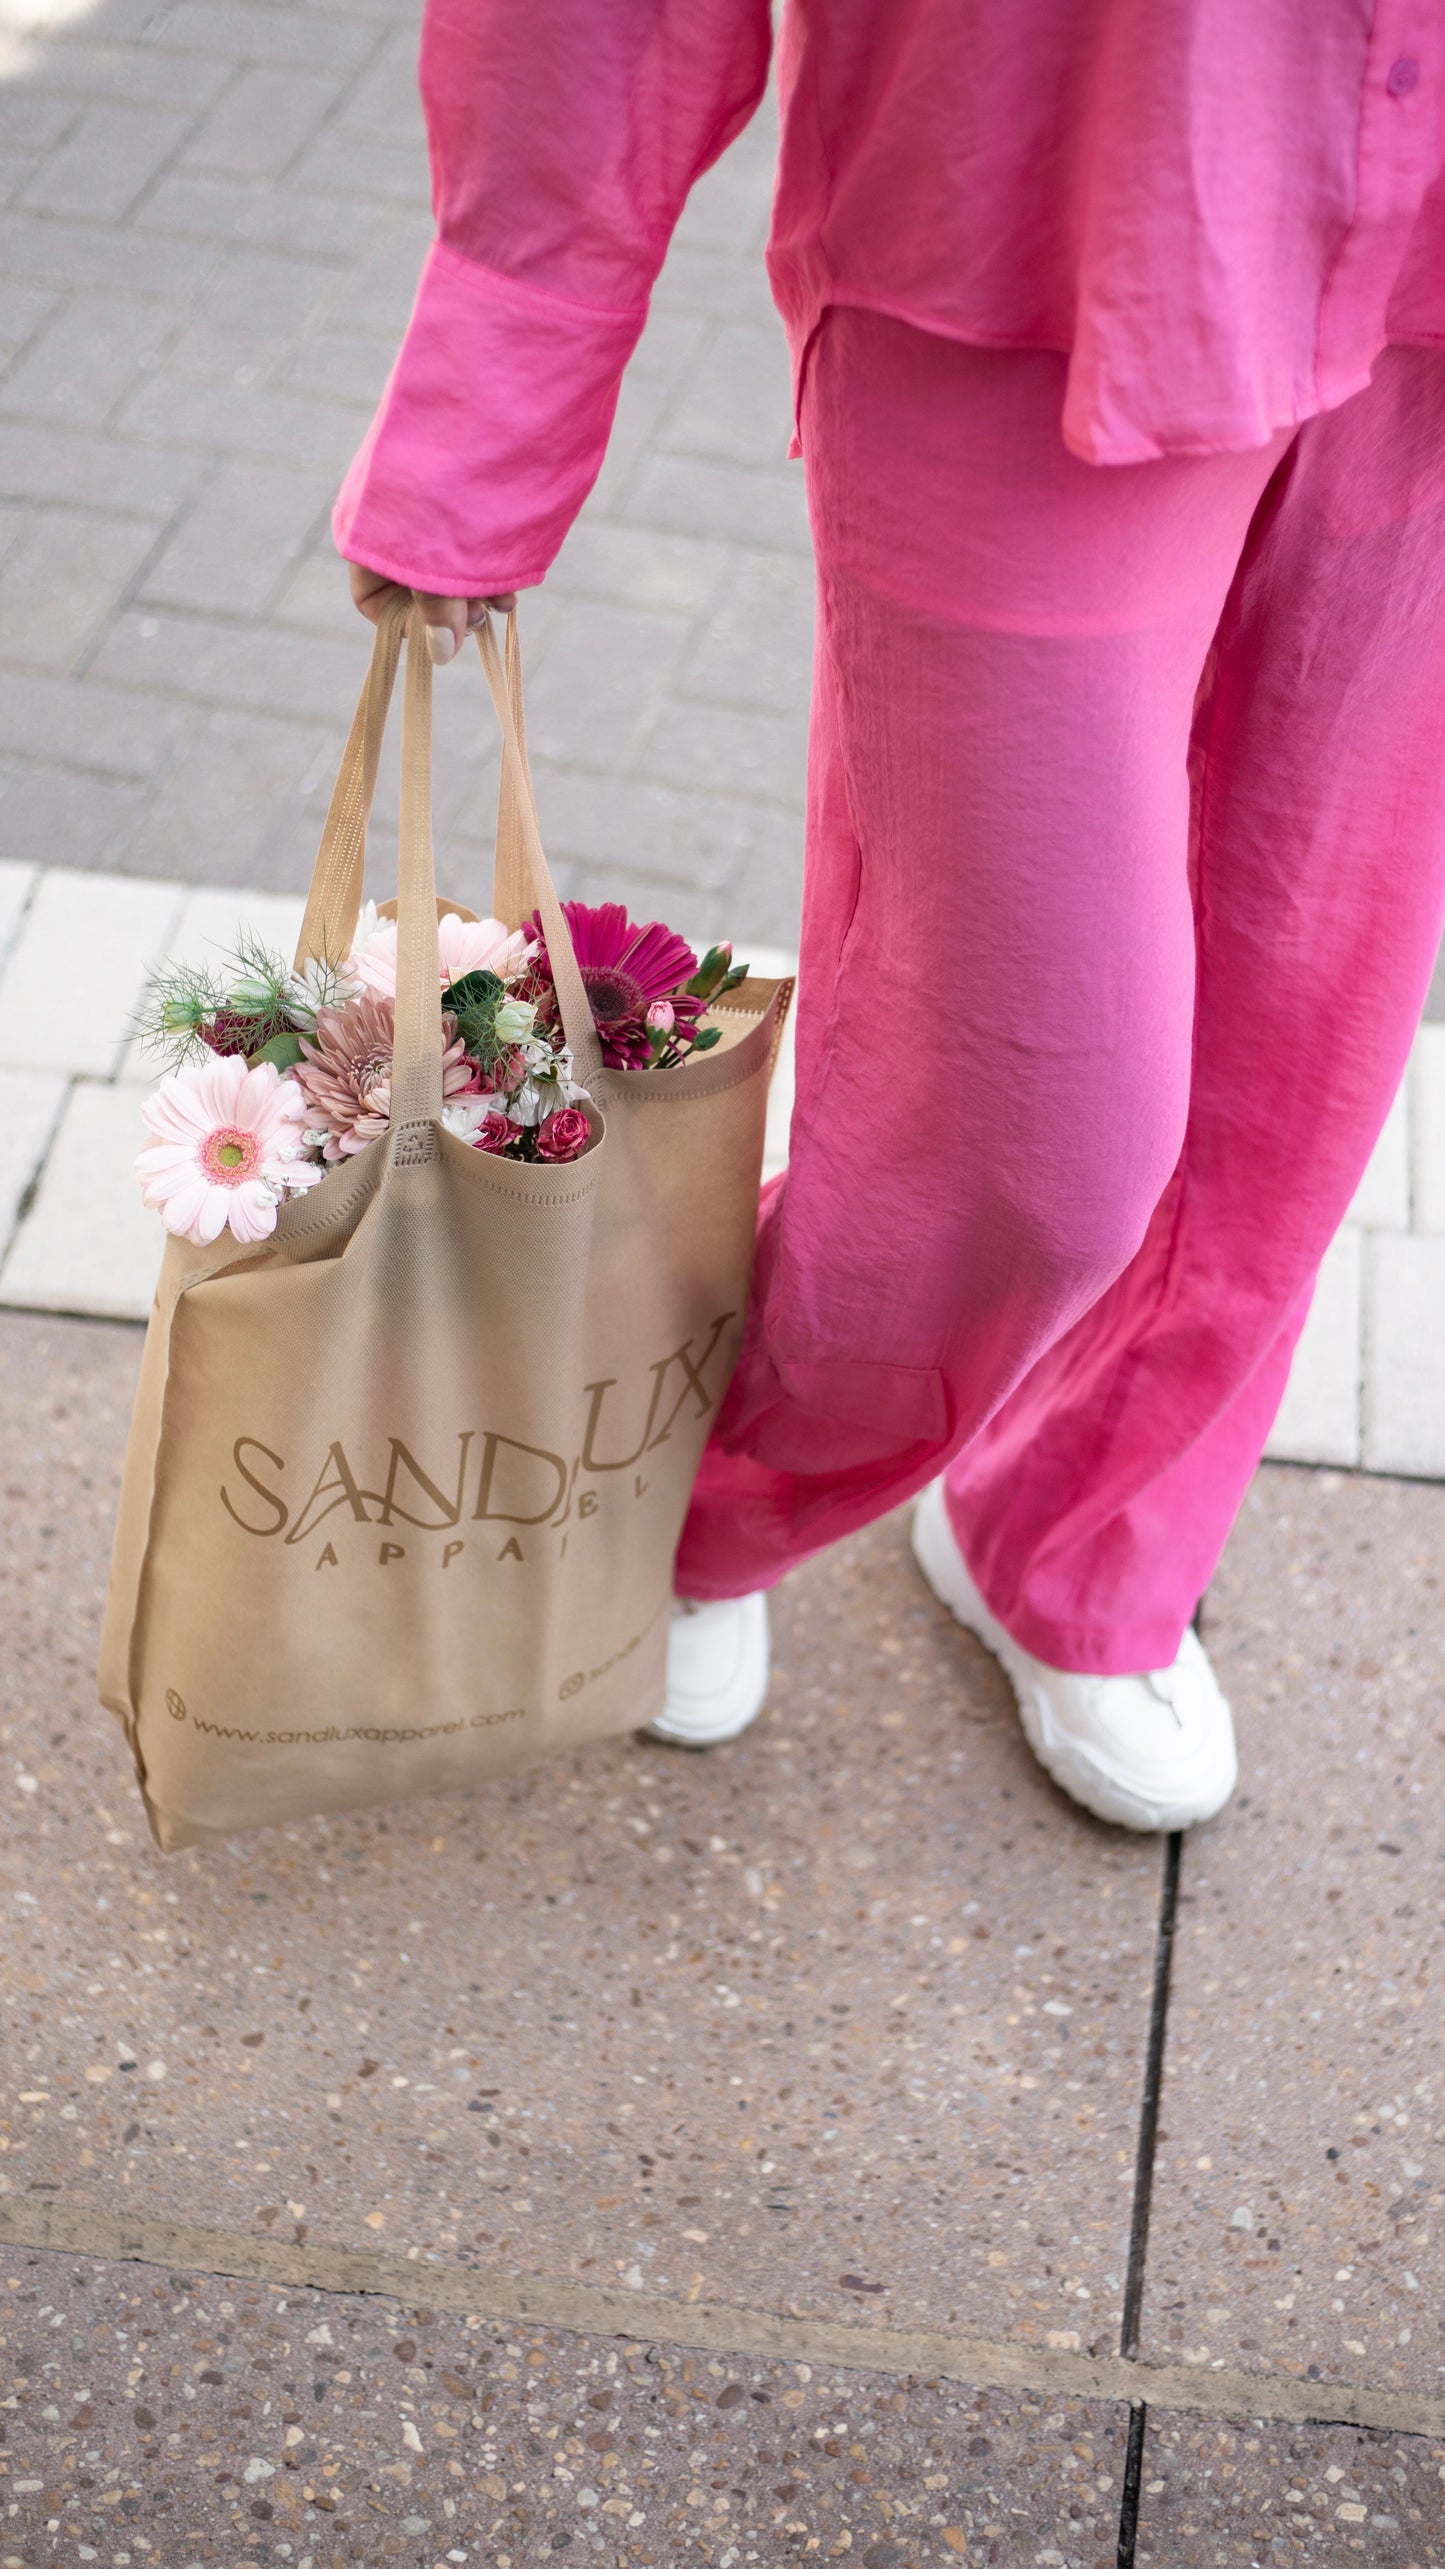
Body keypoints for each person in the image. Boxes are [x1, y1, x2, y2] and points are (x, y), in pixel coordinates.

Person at [341, 0, 1445, 1835]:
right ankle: (704, 1483)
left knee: (1295, 1049)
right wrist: (500, 369)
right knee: (1026, 1128)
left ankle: (1085, 1531)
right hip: (1036, 211)